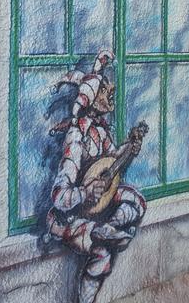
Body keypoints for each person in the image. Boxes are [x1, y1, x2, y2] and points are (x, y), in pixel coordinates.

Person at [45, 50, 146, 303]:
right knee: (102, 254)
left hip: (98, 211)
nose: (110, 91)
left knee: (135, 201)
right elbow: (59, 196)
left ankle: (108, 228)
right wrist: (86, 192)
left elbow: (109, 163)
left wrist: (128, 148)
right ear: (90, 99)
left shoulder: (101, 131)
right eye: (103, 89)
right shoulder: (76, 137)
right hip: (70, 216)